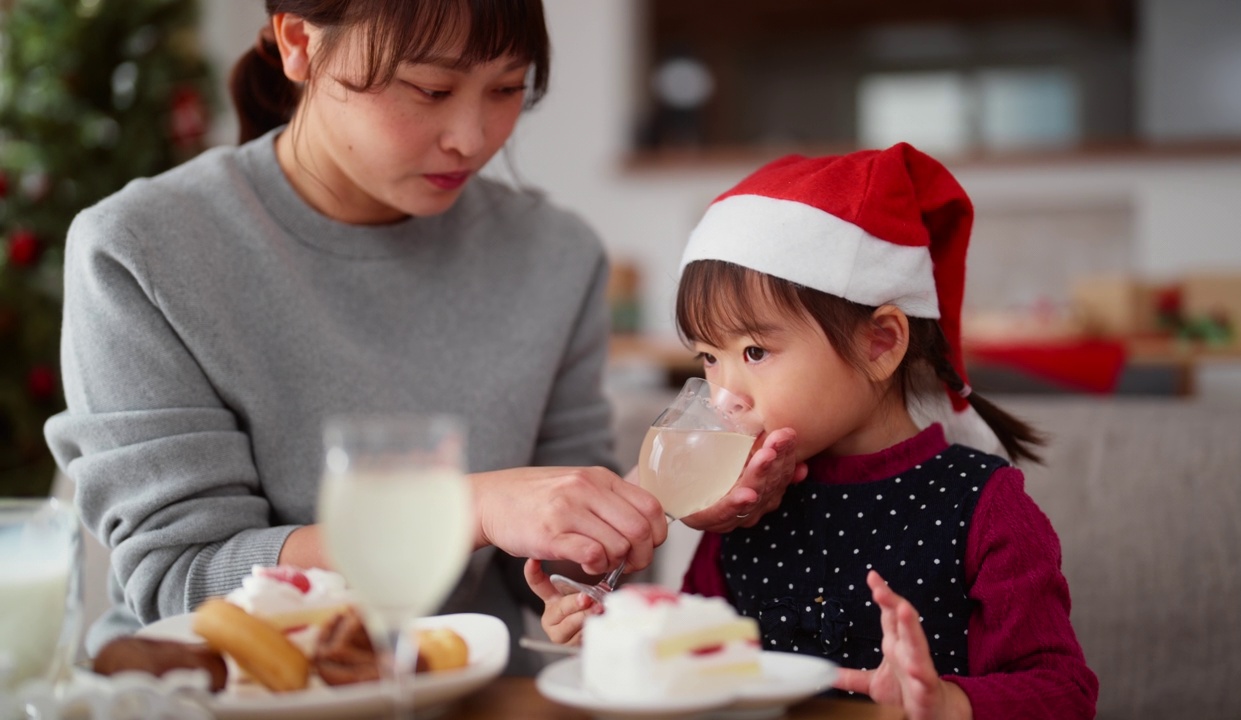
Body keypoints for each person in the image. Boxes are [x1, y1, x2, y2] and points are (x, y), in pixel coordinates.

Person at [43, 0, 799, 674]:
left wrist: (634, 516)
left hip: (465, 692)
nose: (471, 137)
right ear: (300, 42)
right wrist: (462, 511)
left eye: (508, 89)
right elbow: (179, 580)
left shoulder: (553, 254)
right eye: (429, 90)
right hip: (216, 693)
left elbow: (559, 589)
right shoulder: (140, 250)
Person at [529, 143, 1099, 717]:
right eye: (708, 357)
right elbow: (692, 659)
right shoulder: (742, 503)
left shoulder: (982, 505)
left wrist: (948, 703)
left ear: (881, 344)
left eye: (754, 351)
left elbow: (1064, 693)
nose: (724, 395)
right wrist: (619, 633)